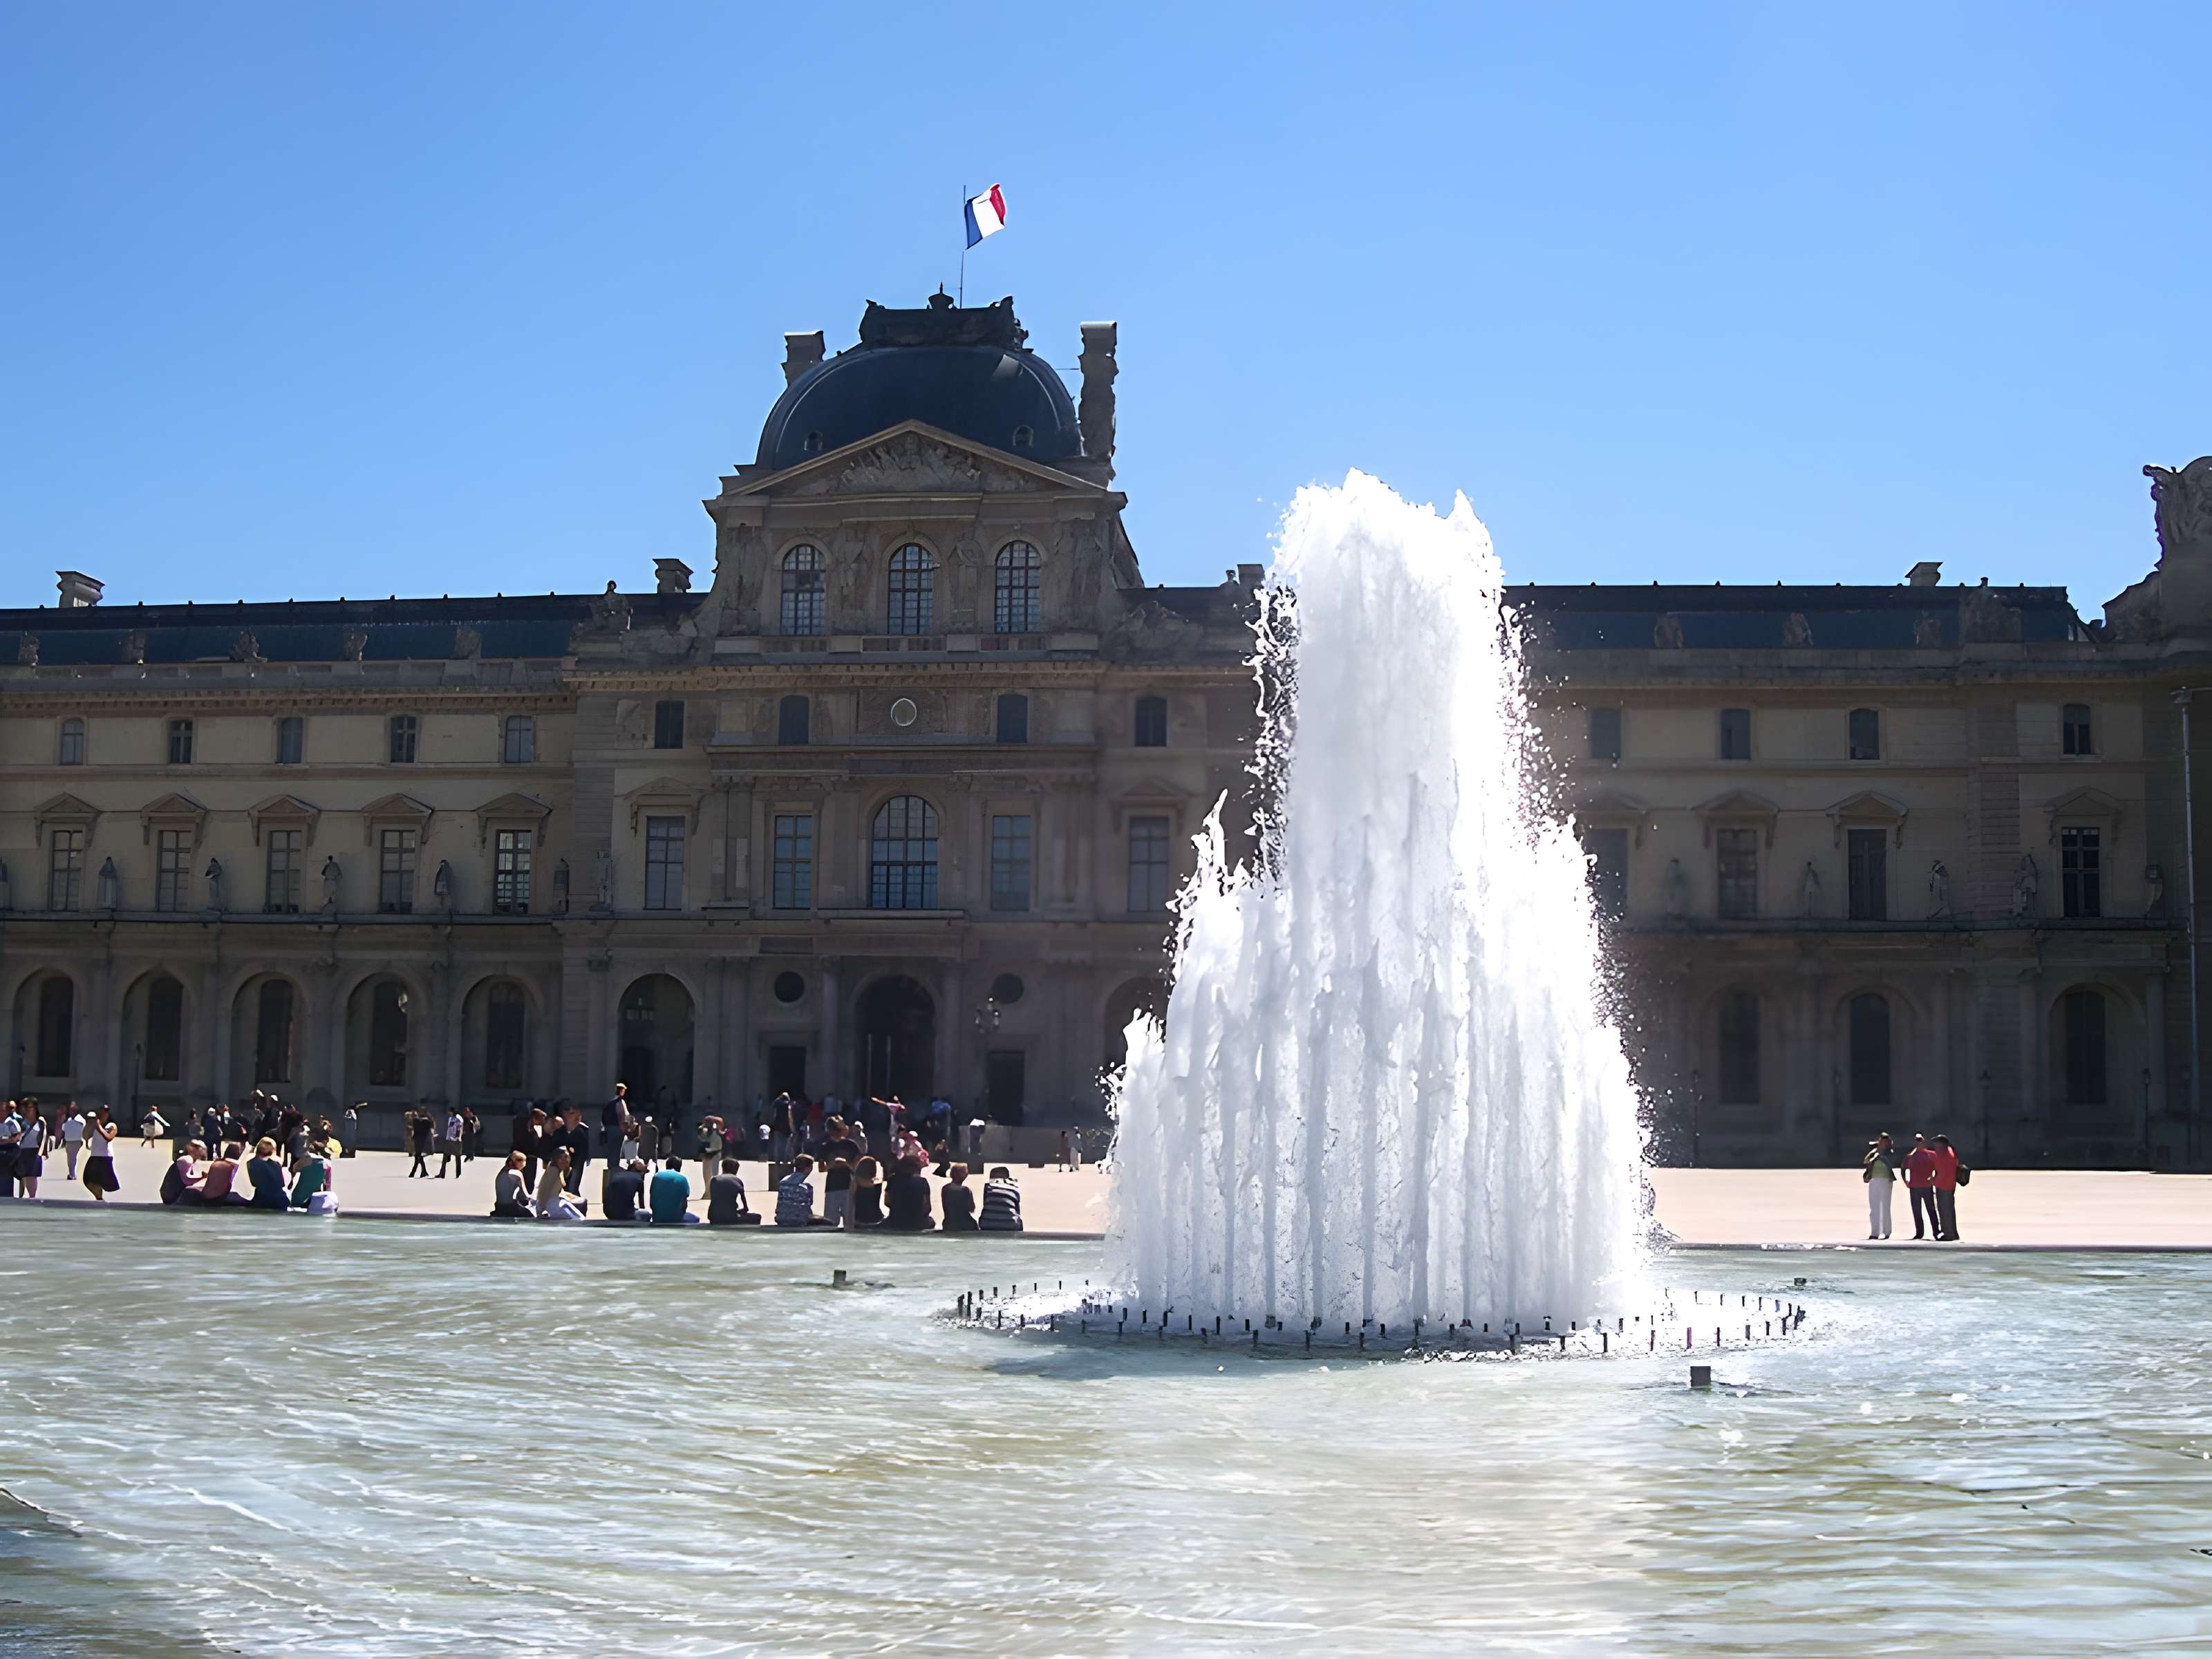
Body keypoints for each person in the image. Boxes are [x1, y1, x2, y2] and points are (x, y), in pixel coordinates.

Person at [1902, 1133, 1940, 1241]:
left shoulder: (1932, 1155)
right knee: (1917, 1211)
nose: (1918, 1143)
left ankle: (1936, 1232)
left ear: (1924, 1142)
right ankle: (1919, 1233)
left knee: (1931, 1210)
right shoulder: (1910, 1157)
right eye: (1916, 1141)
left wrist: (1934, 1178)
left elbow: (1938, 1169)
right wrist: (1906, 1181)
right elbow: (1903, 1168)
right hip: (1914, 1187)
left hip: (1927, 1186)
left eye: (1920, 1140)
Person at [1862, 1132, 1897, 1241]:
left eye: (1885, 1140)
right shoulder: (1874, 1152)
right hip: (1874, 1180)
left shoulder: (1889, 1152)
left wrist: (1879, 1156)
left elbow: (1892, 1162)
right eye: (1882, 1140)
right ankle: (1875, 1232)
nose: (1883, 1142)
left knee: (1885, 1207)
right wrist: (1875, 1152)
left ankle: (1887, 1231)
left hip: (1886, 1180)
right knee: (1874, 1207)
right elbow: (1866, 1161)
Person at [776, 1154, 827, 1226]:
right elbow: (807, 1208)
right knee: (827, 1222)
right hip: (799, 1220)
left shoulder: (783, 1182)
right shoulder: (806, 1187)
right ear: (809, 1168)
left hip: (781, 1218)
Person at [884, 1156, 933, 1230]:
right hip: (917, 1222)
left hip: (896, 1221)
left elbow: (887, 1202)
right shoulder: (922, 1182)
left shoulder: (892, 1180)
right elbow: (927, 1207)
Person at [82, 1107, 120, 1201]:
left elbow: (108, 1137)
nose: (100, 1116)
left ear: (107, 1115)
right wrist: (89, 1124)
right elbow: (85, 1136)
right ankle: (99, 1198)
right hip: (94, 1156)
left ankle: (105, 1200)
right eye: (99, 1114)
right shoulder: (95, 1126)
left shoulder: (111, 1125)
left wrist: (98, 1126)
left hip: (105, 1157)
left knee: (107, 1183)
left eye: (103, 1114)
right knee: (88, 1180)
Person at [1931, 1134, 1964, 1241]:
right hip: (1950, 1184)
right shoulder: (1950, 1151)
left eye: (1936, 1144)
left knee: (1944, 1210)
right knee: (1950, 1210)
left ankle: (1948, 1234)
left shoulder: (1943, 1155)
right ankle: (1953, 1232)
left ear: (1941, 1145)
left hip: (1943, 1185)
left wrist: (1933, 1181)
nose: (1935, 1147)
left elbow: (1941, 1171)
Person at [536, 1148, 585, 1220]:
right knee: (577, 1219)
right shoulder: (553, 1171)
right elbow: (546, 1191)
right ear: (556, 1159)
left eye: (567, 1157)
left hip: (557, 1202)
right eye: (561, 1158)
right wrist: (541, 1210)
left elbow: (559, 1191)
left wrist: (574, 1197)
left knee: (581, 1215)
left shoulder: (559, 1171)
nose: (566, 1160)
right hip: (549, 1205)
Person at [245, 1136, 291, 1210]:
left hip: (263, 1201)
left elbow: (253, 1183)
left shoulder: (251, 1163)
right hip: (281, 1201)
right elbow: (281, 1183)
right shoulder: (277, 1165)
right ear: (272, 1152)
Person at [650, 1156, 697, 1224]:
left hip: (657, 1219)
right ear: (680, 1167)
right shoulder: (683, 1178)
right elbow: (684, 1204)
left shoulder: (657, 1176)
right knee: (695, 1218)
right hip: (677, 1219)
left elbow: (652, 1201)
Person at [160, 1141, 207, 1206]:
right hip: (171, 1197)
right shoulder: (186, 1160)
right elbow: (187, 1181)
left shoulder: (191, 1160)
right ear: (192, 1150)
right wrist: (203, 1178)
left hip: (170, 1195)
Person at [706, 1158, 751, 1225]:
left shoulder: (714, 1179)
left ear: (723, 1168)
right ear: (735, 1170)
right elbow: (745, 1208)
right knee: (757, 1217)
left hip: (713, 1217)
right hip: (731, 1218)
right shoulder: (738, 1180)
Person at [201, 1142, 247, 1206]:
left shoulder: (217, 1162)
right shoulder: (234, 1165)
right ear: (238, 1153)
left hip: (205, 1196)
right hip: (219, 1198)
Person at [491, 1150, 535, 1218]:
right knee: (531, 1215)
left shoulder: (502, 1171)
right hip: (510, 1208)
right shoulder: (517, 1174)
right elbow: (525, 1196)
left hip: (499, 1207)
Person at [980, 1165, 1024, 1232]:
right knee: (1019, 1220)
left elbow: (986, 1205)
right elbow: (1017, 1210)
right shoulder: (1014, 1188)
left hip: (987, 1225)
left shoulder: (988, 1187)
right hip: (1011, 1226)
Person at [603, 1158, 648, 1223]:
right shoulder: (639, 1180)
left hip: (609, 1213)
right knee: (647, 1214)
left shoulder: (617, 1174)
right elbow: (642, 1206)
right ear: (641, 1173)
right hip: (626, 1215)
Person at [290, 1146, 332, 1211]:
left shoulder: (304, 1160)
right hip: (315, 1199)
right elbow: (327, 1186)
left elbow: (294, 1169)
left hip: (298, 1197)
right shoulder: (328, 1164)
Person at [938, 1163, 978, 1231]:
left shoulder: (945, 1188)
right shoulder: (966, 1190)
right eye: (964, 1172)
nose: (966, 1174)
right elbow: (972, 1209)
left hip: (949, 1223)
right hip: (965, 1224)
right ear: (956, 1174)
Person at [849, 1156, 885, 1228]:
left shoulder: (855, 1183)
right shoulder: (878, 1184)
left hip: (860, 1219)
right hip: (876, 1218)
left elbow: (851, 1202)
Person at [60, 1102, 85, 1182]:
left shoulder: (80, 1120)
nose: (71, 1112)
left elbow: (83, 1128)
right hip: (69, 1141)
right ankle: (71, 1173)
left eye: (73, 1110)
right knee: (70, 1159)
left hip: (76, 1141)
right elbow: (63, 1129)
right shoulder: (69, 1120)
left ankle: (72, 1174)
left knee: (73, 1159)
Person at [438, 1108, 465, 1179]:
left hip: (456, 1140)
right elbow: (450, 1128)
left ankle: (458, 1174)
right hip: (449, 1139)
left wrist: (458, 1137)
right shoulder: (450, 1118)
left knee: (458, 1157)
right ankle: (442, 1173)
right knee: (445, 1156)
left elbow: (460, 1128)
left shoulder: (459, 1118)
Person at [406, 1112, 431, 1179]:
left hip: (419, 1142)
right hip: (421, 1141)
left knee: (418, 1157)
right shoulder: (424, 1123)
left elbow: (416, 1131)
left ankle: (415, 1173)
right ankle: (422, 1172)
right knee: (418, 1157)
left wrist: (414, 1137)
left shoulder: (416, 1121)